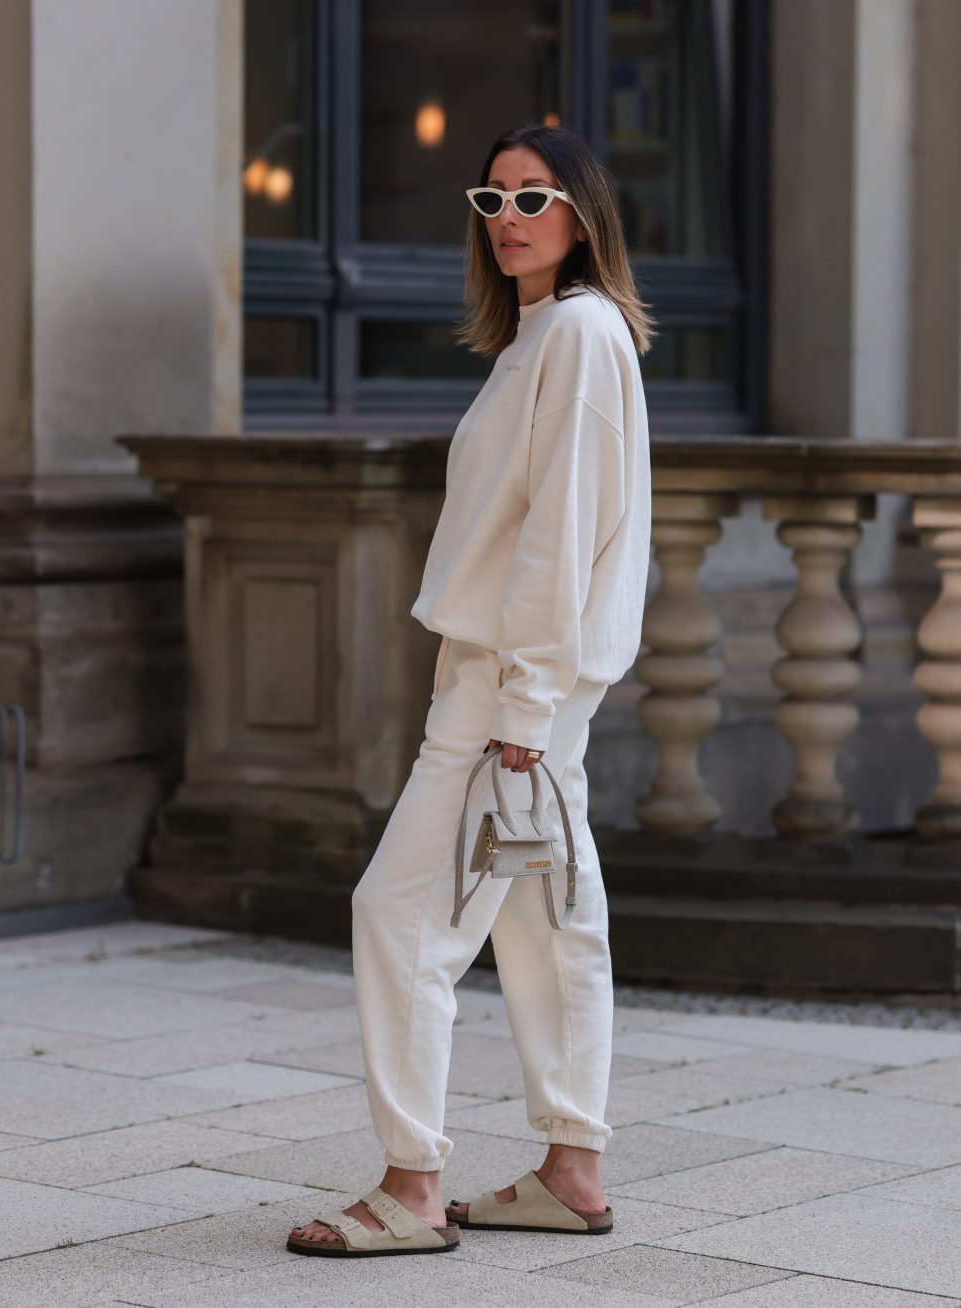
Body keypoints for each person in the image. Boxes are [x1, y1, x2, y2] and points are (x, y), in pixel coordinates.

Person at [287, 121, 654, 1258]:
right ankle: (570, 1168)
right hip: (519, 681)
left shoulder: (581, 335)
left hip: (511, 685)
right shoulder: (544, 336)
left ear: (582, 215)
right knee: (547, 923)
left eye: (531, 199)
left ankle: (408, 1188)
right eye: (489, 201)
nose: (506, 222)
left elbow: (561, 536)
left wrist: (525, 713)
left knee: (396, 916)